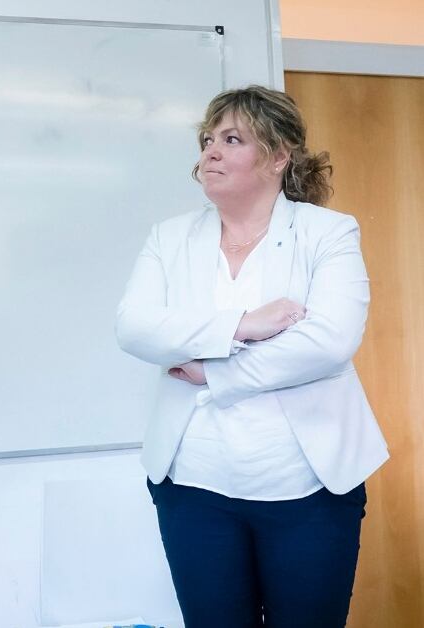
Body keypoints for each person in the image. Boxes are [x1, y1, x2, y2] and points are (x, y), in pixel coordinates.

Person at [116, 85, 388, 627]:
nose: (209, 152)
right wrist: (245, 324)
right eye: (207, 139)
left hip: (309, 489)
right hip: (193, 488)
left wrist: (216, 374)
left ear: (279, 155)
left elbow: (328, 342)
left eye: (231, 138)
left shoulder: (328, 233)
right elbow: (135, 327)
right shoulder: (169, 238)